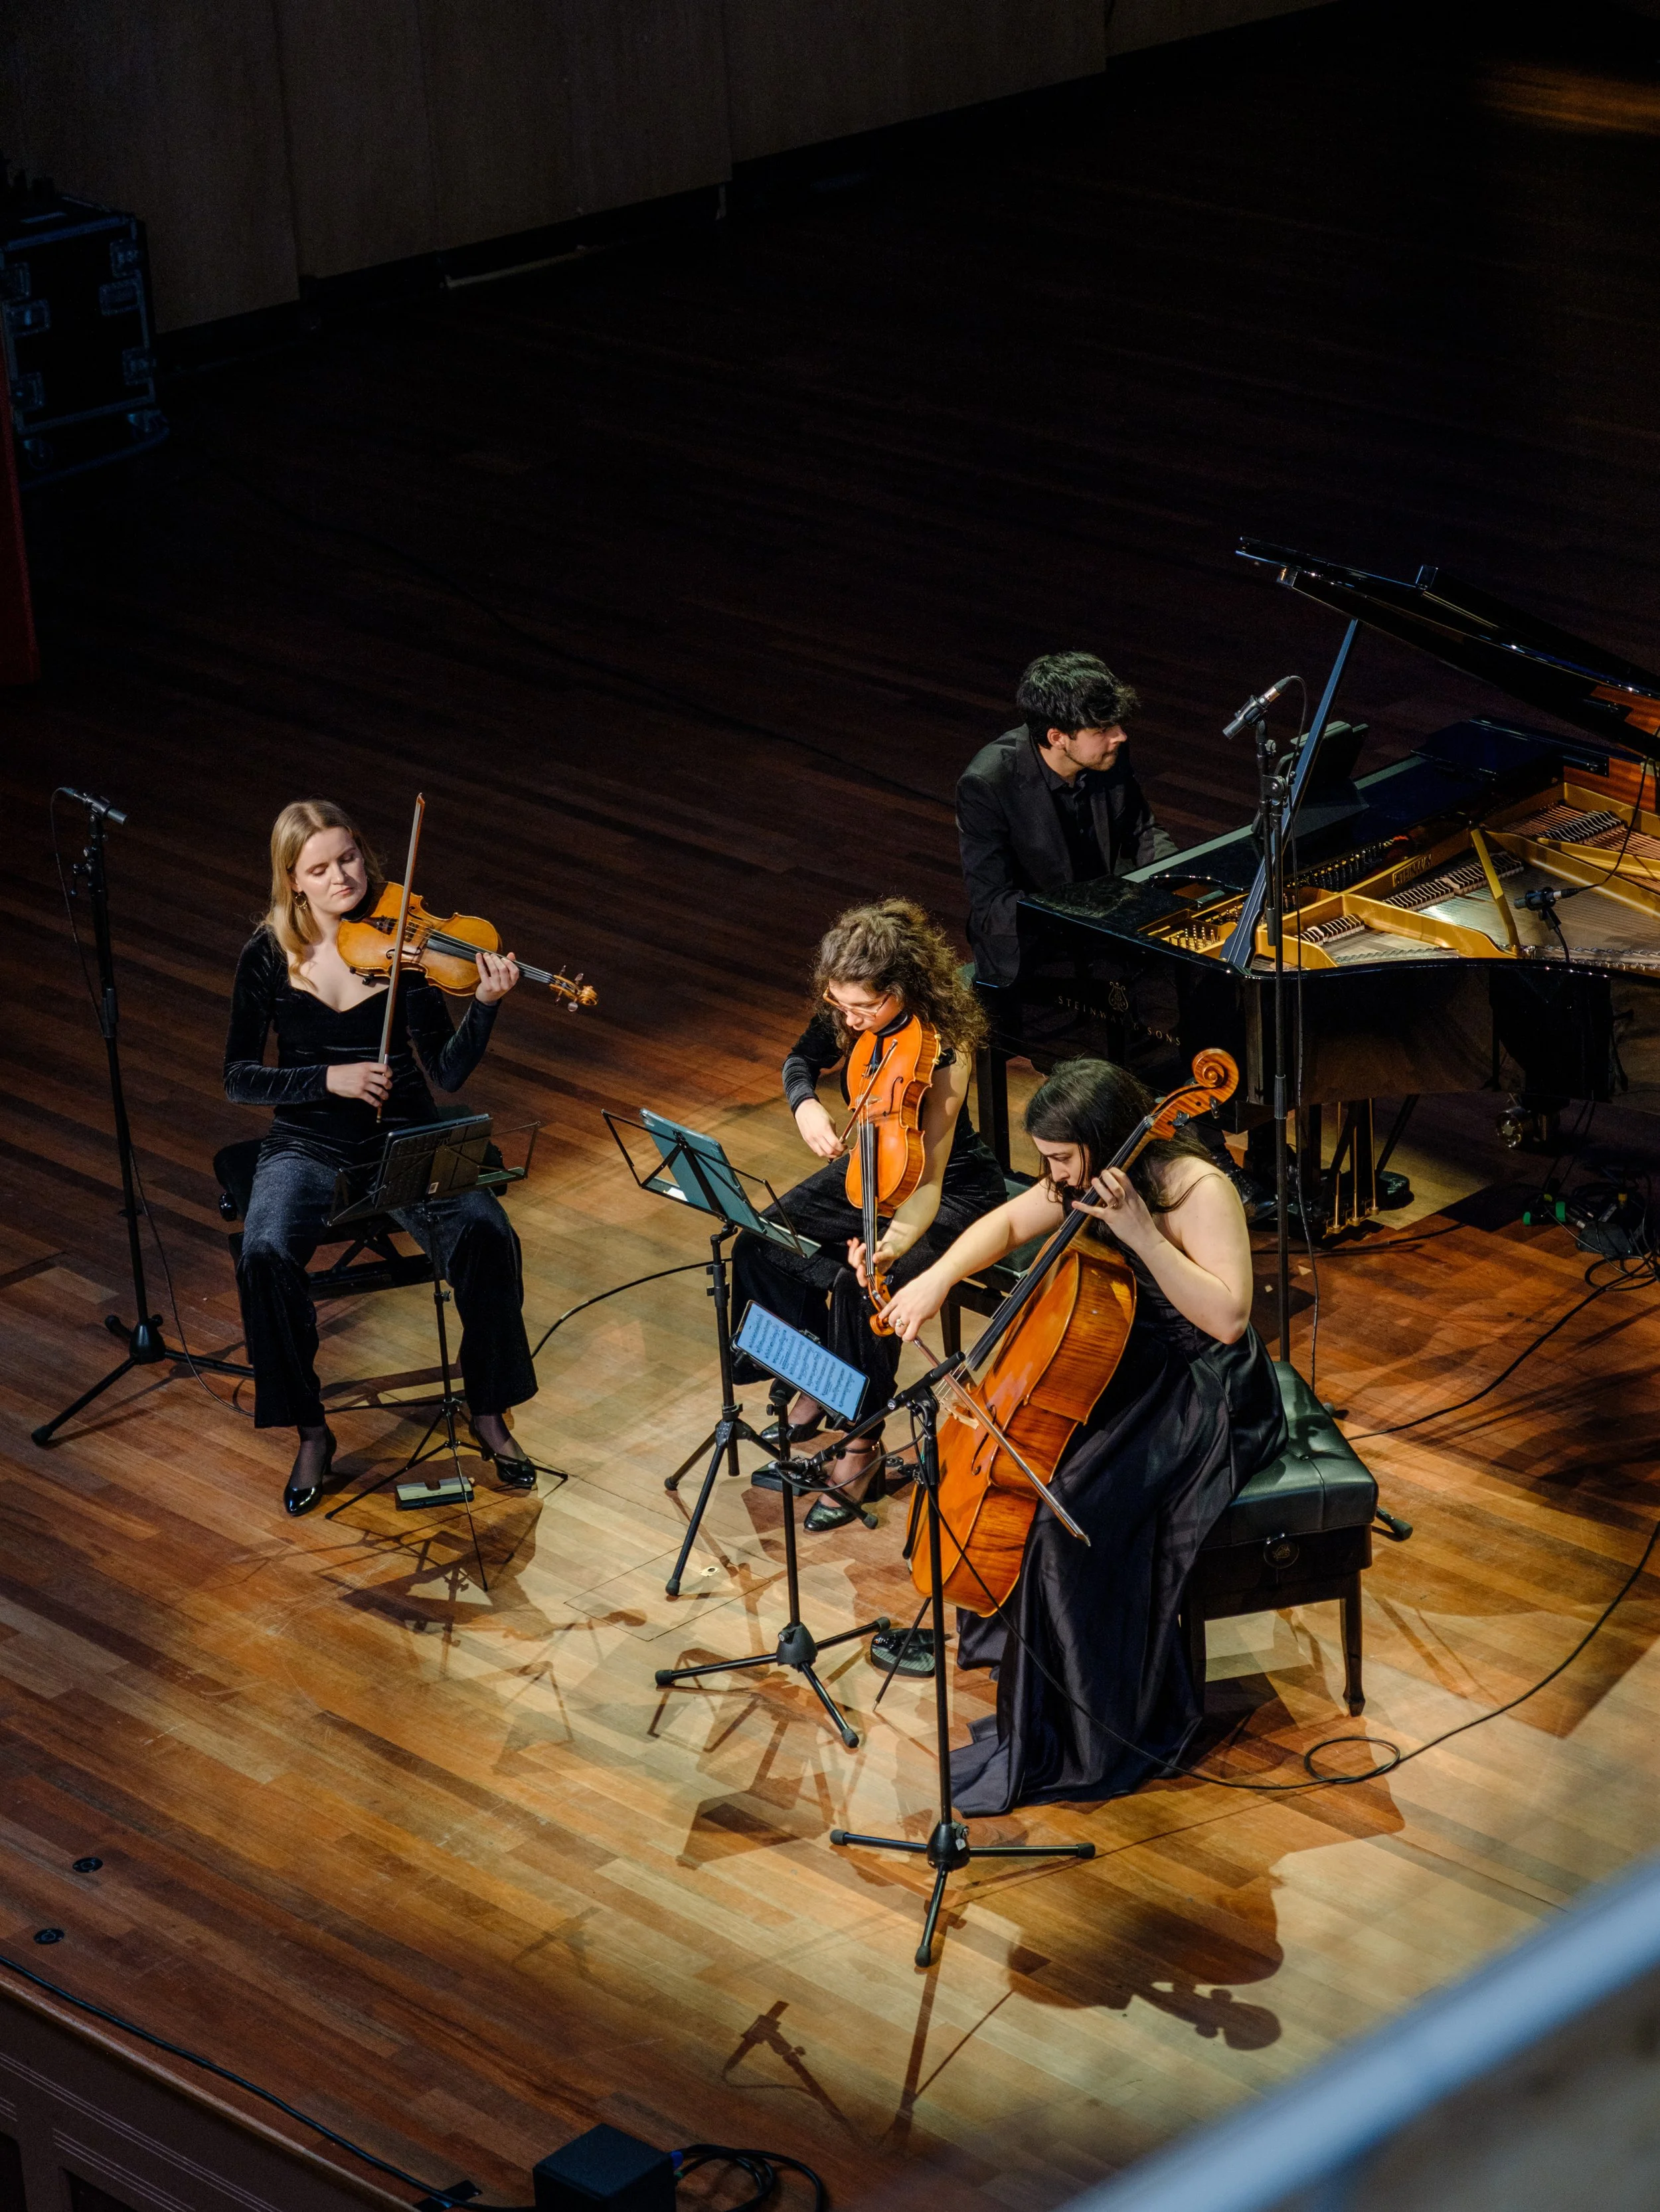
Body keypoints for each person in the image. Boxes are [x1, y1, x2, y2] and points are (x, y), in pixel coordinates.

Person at [865, 1057, 1287, 1816]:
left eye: (1060, 1158)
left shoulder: (1199, 1190)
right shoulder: (1081, 1178)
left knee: (1072, 1521)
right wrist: (933, 1281)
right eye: (1046, 1162)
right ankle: (1036, 1677)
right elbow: (1004, 1222)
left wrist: (1142, 1237)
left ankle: (1100, 1731)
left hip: (1206, 1388)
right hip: (1131, 1360)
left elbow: (1227, 1319)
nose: (1051, 1176)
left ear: (1106, 1139)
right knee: (1031, 1490)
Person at [224, 799, 539, 1516]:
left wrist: (484, 1005)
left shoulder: (407, 944)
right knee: (265, 1252)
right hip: (308, 1139)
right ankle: (310, 1430)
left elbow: (448, 1073)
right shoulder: (267, 955)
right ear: (292, 880)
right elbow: (239, 1076)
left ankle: (488, 1409)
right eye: (320, 868)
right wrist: (325, 1079)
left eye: (349, 858)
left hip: (404, 1131)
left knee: (489, 1234)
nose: (342, 877)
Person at [729, 899, 1007, 1533]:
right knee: (760, 1243)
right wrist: (805, 1106)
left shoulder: (946, 1051)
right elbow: (800, 1062)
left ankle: (862, 1447)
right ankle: (821, 1378)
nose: (848, 1020)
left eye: (863, 1008)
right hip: (867, 1169)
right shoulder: (853, 1013)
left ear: (900, 989)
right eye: (840, 1005)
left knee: (862, 1290)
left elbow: (931, 1179)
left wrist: (895, 1243)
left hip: (946, 1192)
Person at [957, 651, 1175, 991]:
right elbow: (993, 900)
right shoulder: (988, 783)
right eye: (1103, 729)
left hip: (1104, 917)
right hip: (1036, 938)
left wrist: (1175, 884)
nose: (1120, 736)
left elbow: (1142, 830)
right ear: (1058, 737)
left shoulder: (1107, 754)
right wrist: (1085, 913)